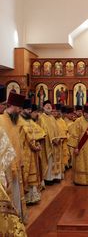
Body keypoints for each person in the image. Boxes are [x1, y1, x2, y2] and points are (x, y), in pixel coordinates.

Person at [0, 92, 27, 222]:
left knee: (16, 194)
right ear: (12, 106)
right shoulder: (1, 121)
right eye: (19, 108)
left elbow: (18, 143)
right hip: (5, 167)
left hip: (16, 163)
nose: (20, 110)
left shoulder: (15, 121)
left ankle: (17, 221)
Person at [19, 99, 46, 204]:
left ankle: (32, 197)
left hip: (33, 152)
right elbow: (27, 137)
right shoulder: (19, 121)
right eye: (27, 109)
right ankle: (25, 198)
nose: (29, 111)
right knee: (26, 174)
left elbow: (37, 133)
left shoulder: (29, 121)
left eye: (30, 109)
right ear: (21, 109)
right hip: (25, 151)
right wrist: (34, 146)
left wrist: (37, 143)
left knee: (33, 174)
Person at [68, 104, 88, 185]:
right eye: (87, 113)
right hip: (81, 148)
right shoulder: (78, 121)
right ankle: (80, 180)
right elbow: (74, 135)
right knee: (81, 164)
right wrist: (76, 147)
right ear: (83, 112)